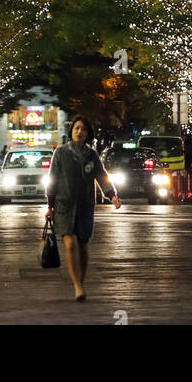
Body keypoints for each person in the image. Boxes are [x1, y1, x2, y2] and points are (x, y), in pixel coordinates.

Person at [45, 115, 120, 301]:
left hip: (85, 206)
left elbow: (102, 176)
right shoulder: (60, 153)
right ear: (71, 131)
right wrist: (50, 206)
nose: (80, 132)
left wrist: (112, 196)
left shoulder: (91, 155)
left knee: (84, 246)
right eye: (77, 128)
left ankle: (81, 281)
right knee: (69, 242)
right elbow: (52, 179)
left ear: (88, 134)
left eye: (83, 129)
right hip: (64, 206)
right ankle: (77, 285)